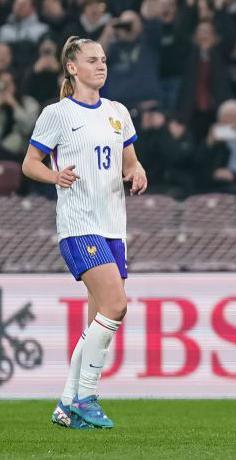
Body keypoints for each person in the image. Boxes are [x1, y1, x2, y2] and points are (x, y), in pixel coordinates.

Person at [21, 36, 147, 429]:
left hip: (113, 225)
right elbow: (29, 164)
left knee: (98, 319)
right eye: (92, 60)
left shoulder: (117, 112)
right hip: (78, 224)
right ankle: (88, 396)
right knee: (117, 305)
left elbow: (129, 159)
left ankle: (65, 404)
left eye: (104, 60)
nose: (101, 66)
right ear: (72, 68)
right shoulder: (57, 114)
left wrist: (137, 170)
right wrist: (53, 175)